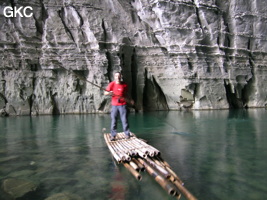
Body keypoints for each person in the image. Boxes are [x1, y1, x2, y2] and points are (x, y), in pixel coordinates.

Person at [104, 72, 132, 141]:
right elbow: (105, 93)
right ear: (114, 77)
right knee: (114, 120)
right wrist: (109, 93)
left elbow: (127, 93)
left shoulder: (124, 85)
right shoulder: (112, 84)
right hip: (114, 105)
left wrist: (131, 100)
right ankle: (113, 136)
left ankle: (127, 134)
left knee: (124, 120)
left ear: (121, 76)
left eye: (119, 76)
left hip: (123, 105)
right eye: (116, 76)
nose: (118, 77)